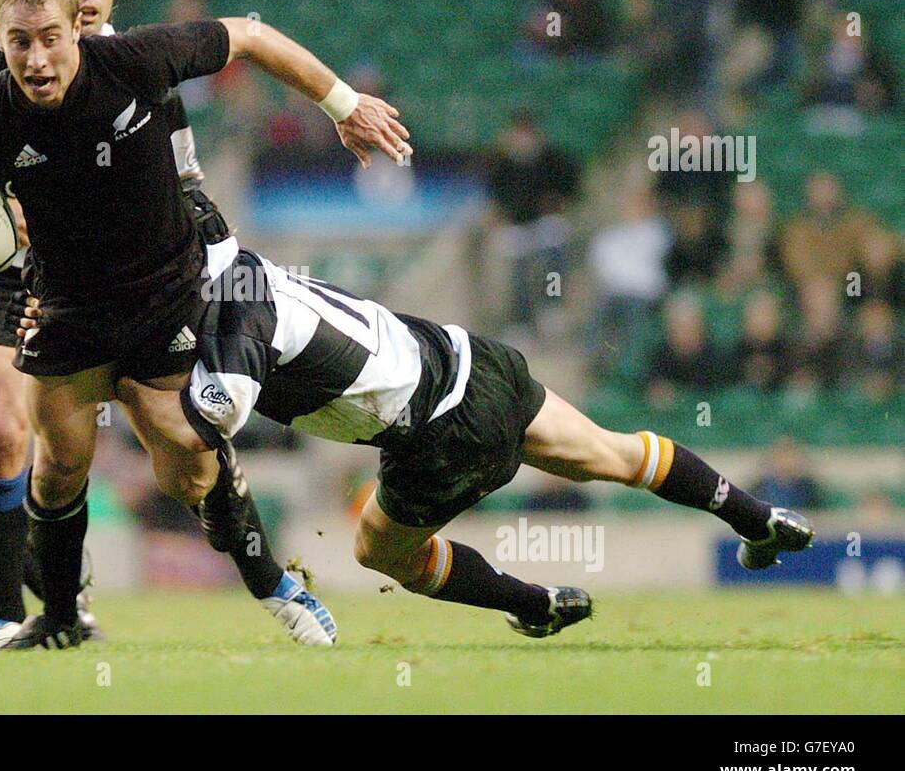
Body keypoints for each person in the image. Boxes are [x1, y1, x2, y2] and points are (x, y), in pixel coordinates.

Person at [0, 0, 409, 649]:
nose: (39, 57)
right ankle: (57, 617)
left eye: (51, 37)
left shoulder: (138, 61)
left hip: (161, 301)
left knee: (189, 458)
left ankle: (275, 585)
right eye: (20, 42)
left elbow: (252, 37)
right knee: (58, 465)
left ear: (76, 27)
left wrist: (343, 105)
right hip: (67, 310)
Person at [92, 248, 815, 640]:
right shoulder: (238, 263)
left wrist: (119, 380)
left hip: (440, 432)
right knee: (616, 453)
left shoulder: (234, 330)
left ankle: (531, 601)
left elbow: (208, 431)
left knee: (378, 550)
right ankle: (758, 517)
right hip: (471, 358)